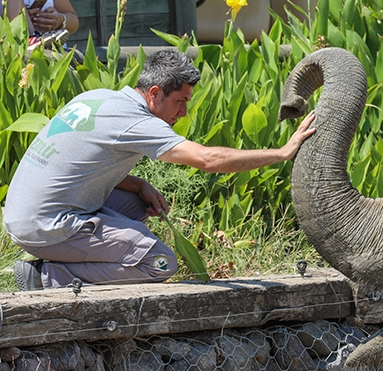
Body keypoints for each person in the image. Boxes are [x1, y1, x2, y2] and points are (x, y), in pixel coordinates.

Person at [3, 49, 317, 291]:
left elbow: (79, 164)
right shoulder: (136, 121)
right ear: (154, 94)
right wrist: (281, 153)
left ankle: (70, 257)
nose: (183, 113)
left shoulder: (97, 98)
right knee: (160, 263)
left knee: (138, 204)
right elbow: (207, 159)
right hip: (44, 226)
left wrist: (138, 184)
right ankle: (46, 277)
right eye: (180, 101)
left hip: (24, 214)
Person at [5, 0, 79, 48]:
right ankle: (33, 39)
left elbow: (74, 23)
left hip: (56, 56)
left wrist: (60, 20)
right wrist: (23, 20)